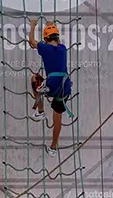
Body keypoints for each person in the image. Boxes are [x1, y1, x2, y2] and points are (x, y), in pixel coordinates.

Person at [28, 19, 72, 155]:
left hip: (52, 86)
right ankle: (53, 147)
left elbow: (31, 41)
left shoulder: (44, 48)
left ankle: (40, 111)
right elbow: (54, 41)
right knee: (57, 117)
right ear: (58, 38)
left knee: (35, 78)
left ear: (46, 39)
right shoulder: (63, 49)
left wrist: (33, 25)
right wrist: (50, 26)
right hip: (65, 87)